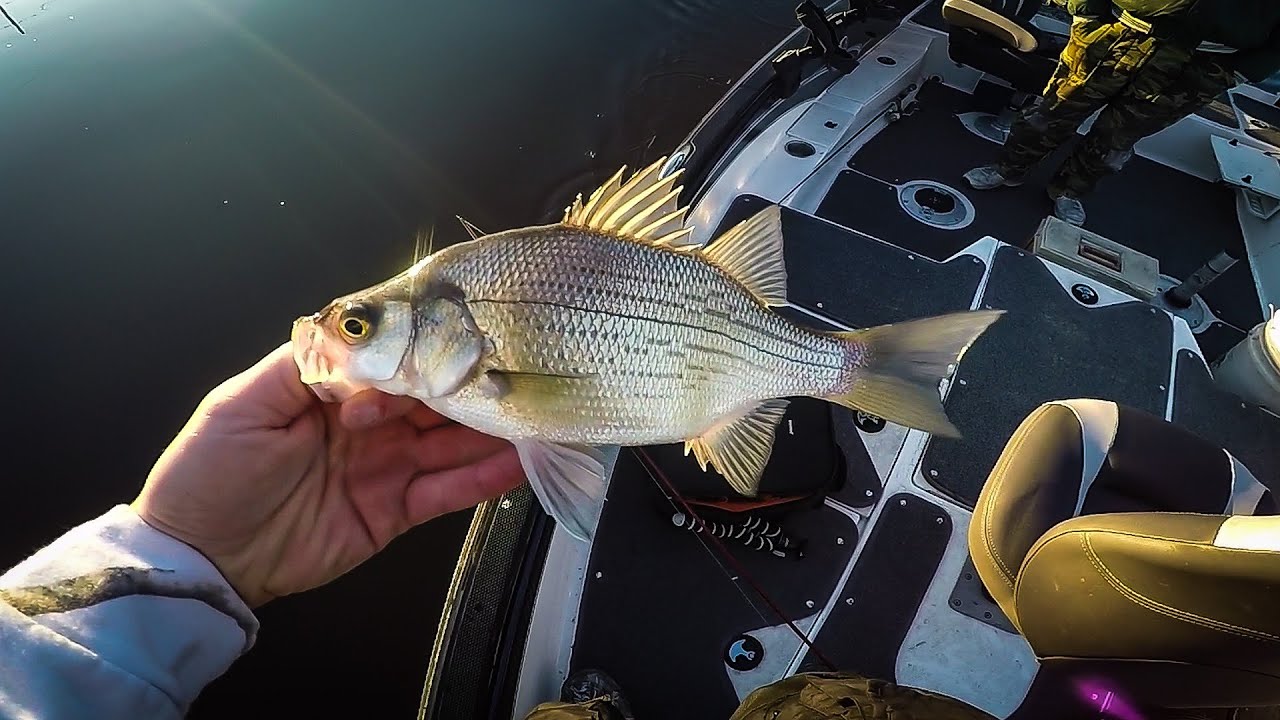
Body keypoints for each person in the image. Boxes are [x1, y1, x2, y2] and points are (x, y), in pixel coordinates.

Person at [0, 341, 996, 720]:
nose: (329, 335)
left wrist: (192, 548)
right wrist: (189, 548)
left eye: (356, 325)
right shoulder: (465, 372)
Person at [963, 0, 1280, 226]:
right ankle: (1008, 169)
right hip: (1119, 29)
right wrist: (1085, 12)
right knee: (1052, 112)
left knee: (1117, 138)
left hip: (1204, 63)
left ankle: (1070, 190)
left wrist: (1239, 72)